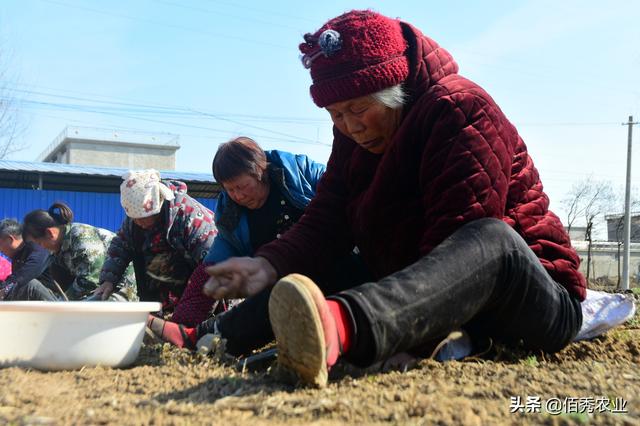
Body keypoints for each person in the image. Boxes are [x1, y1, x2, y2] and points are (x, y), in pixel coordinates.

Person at [200, 10, 587, 387]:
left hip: (526, 297)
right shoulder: (352, 137)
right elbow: (327, 218)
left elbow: (457, 239)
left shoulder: (459, 109)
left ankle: (339, 327)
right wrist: (268, 264)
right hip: (414, 294)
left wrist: (415, 338)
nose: (349, 126)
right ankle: (215, 336)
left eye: (359, 109)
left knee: (491, 238)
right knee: (330, 266)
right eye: (335, 114)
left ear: (395, 89)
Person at [147, 137, 343, 342]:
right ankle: (189, 334)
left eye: (242, 186)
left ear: (260, 171)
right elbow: (212, 266)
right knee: (260, 308)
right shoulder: (230, 217)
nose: (237, 196)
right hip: (283, 286)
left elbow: (344, 191)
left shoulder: (301, 173)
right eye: (230, 190)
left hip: (333, 264)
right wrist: (183, 317)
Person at [97, 169, 218, 320]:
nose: (139, 222)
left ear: (158, 203)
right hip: (161, 291)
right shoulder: (135, 220)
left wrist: (193, 312)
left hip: (201, 283)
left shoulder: (190, 217)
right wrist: (109, 280)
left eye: (143, 217)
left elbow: (213, 266)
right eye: (134, 218)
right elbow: (121, 245)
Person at [22, 202, 137, 301]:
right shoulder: (57, 252)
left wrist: (63, 301)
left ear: (50, 233)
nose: (40, 249)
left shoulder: (81, 236)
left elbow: (92, 278)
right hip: (98, 291)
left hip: (122, 287)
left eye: (39, 244)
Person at [0, 218, 57, 301]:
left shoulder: (36, 246)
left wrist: (5, 288)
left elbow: (28, 272)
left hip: (57, 300)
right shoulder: (17, 256)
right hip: (35, 304)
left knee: (30, 284)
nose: (1, 251)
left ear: (10, 239)